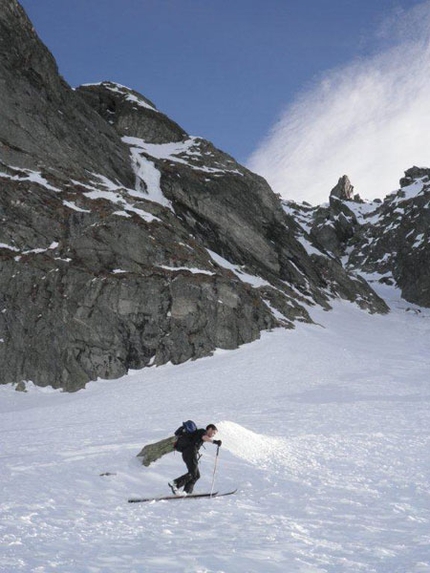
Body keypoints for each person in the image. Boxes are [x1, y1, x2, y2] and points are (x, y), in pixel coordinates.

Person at [169, 424, 222, 495]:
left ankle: (187, 492)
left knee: (196, 475)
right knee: (193, 473)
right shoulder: (202, 432)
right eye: (214, 433)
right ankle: (175, 483)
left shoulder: (199, 433)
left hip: (189, 453)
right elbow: (204, 437)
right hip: (190, 452)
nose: (213, 435)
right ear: (209, 429)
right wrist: (214, 442)